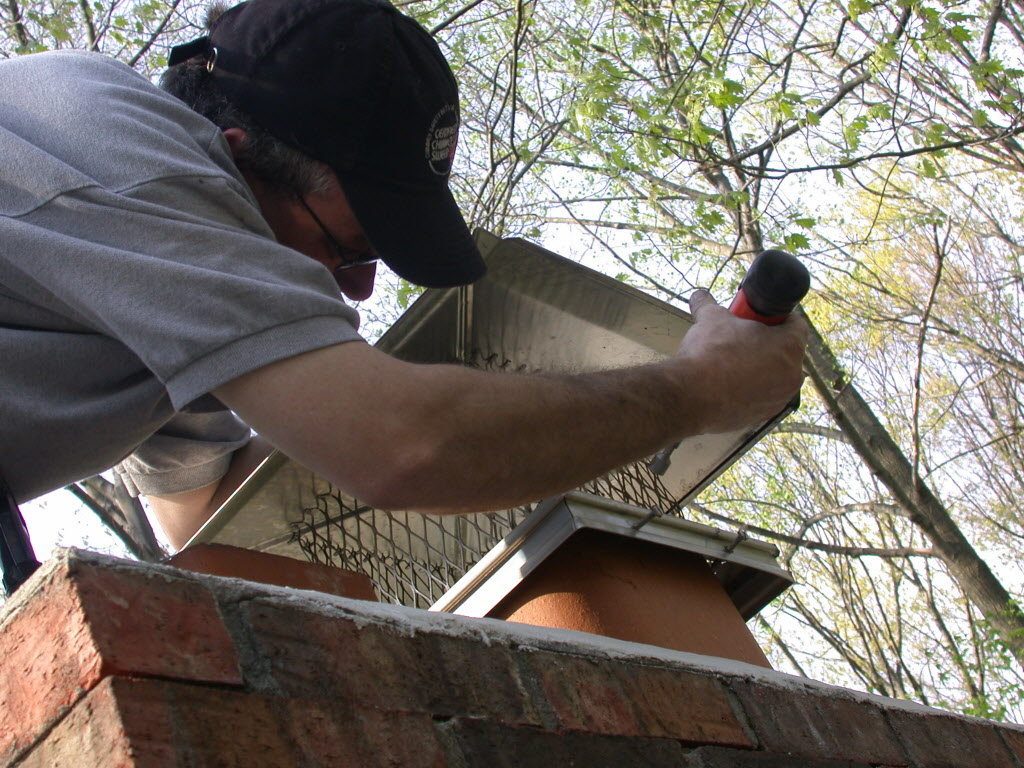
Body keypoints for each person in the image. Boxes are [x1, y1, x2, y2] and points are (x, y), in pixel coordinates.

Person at [0, 0, 808, 552]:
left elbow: (198, 512)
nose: (356, 291)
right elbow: (406, 446)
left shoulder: (158, 286)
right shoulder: (127, 156)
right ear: (242, 154)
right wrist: (700, 390)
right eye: (350, 249)